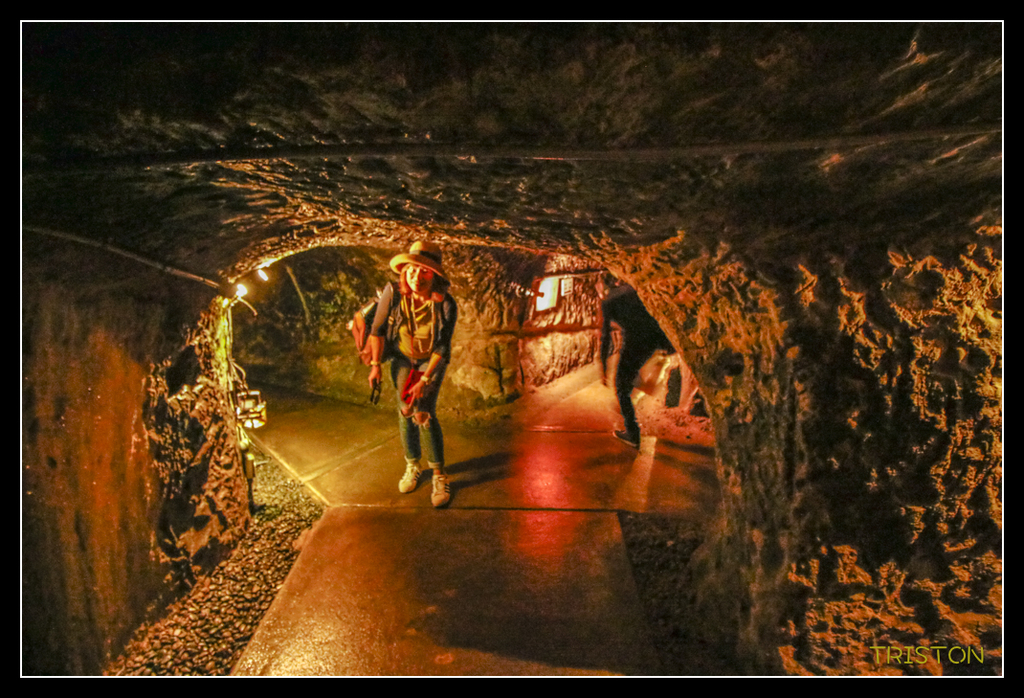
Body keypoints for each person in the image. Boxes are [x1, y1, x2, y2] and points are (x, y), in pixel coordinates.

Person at [367, 241, 458, 508]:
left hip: (429, 362)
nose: (417, 277)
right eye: (412, 270)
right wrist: (375, 365)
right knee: (406, 409)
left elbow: (443, 346)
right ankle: (412, 464)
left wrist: (425, 380)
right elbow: (378, 329)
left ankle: (439, 475)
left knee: (424, 413)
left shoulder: (445, 303)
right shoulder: (393, 293)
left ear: (435, 276)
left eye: (425, 272)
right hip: (403, 358)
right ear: (404, 271)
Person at [598, 279, 675, 449]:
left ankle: (632, 433)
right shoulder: (635, 290)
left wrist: (603, 365)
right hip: (656, 338)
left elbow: (605, 336)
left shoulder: (609, 301)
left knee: (621, 386)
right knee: (630, 374)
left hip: (635, 340)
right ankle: (643, 386)